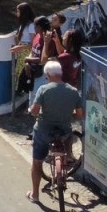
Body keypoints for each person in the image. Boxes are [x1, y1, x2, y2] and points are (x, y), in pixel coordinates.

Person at [27, 60, 84, 204]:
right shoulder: (73, 91)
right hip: (64, 131)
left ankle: (35, 194)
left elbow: (34, 111)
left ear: (47, 75)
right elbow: (80, 114)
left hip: (43, 130)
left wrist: (33, 111)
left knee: (37, 162)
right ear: (60, 74)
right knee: (66, 144)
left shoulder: (44, 90)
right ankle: (64, 167)